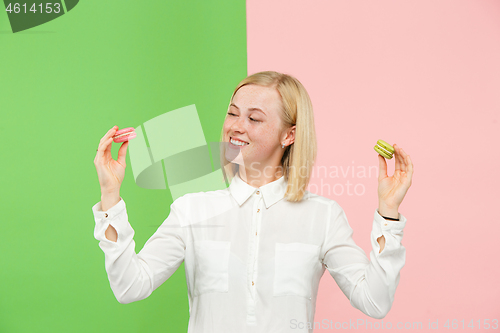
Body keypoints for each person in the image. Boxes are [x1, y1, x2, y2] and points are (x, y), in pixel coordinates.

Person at [92, 71, 413, 333]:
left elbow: (375, 301)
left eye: (255, 119)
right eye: (233, 113)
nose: (236, 127)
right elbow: (130, 286)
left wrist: (388, 212)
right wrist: (110, 197)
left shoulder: (323, 217)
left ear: (289, 135)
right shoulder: (192, 210)